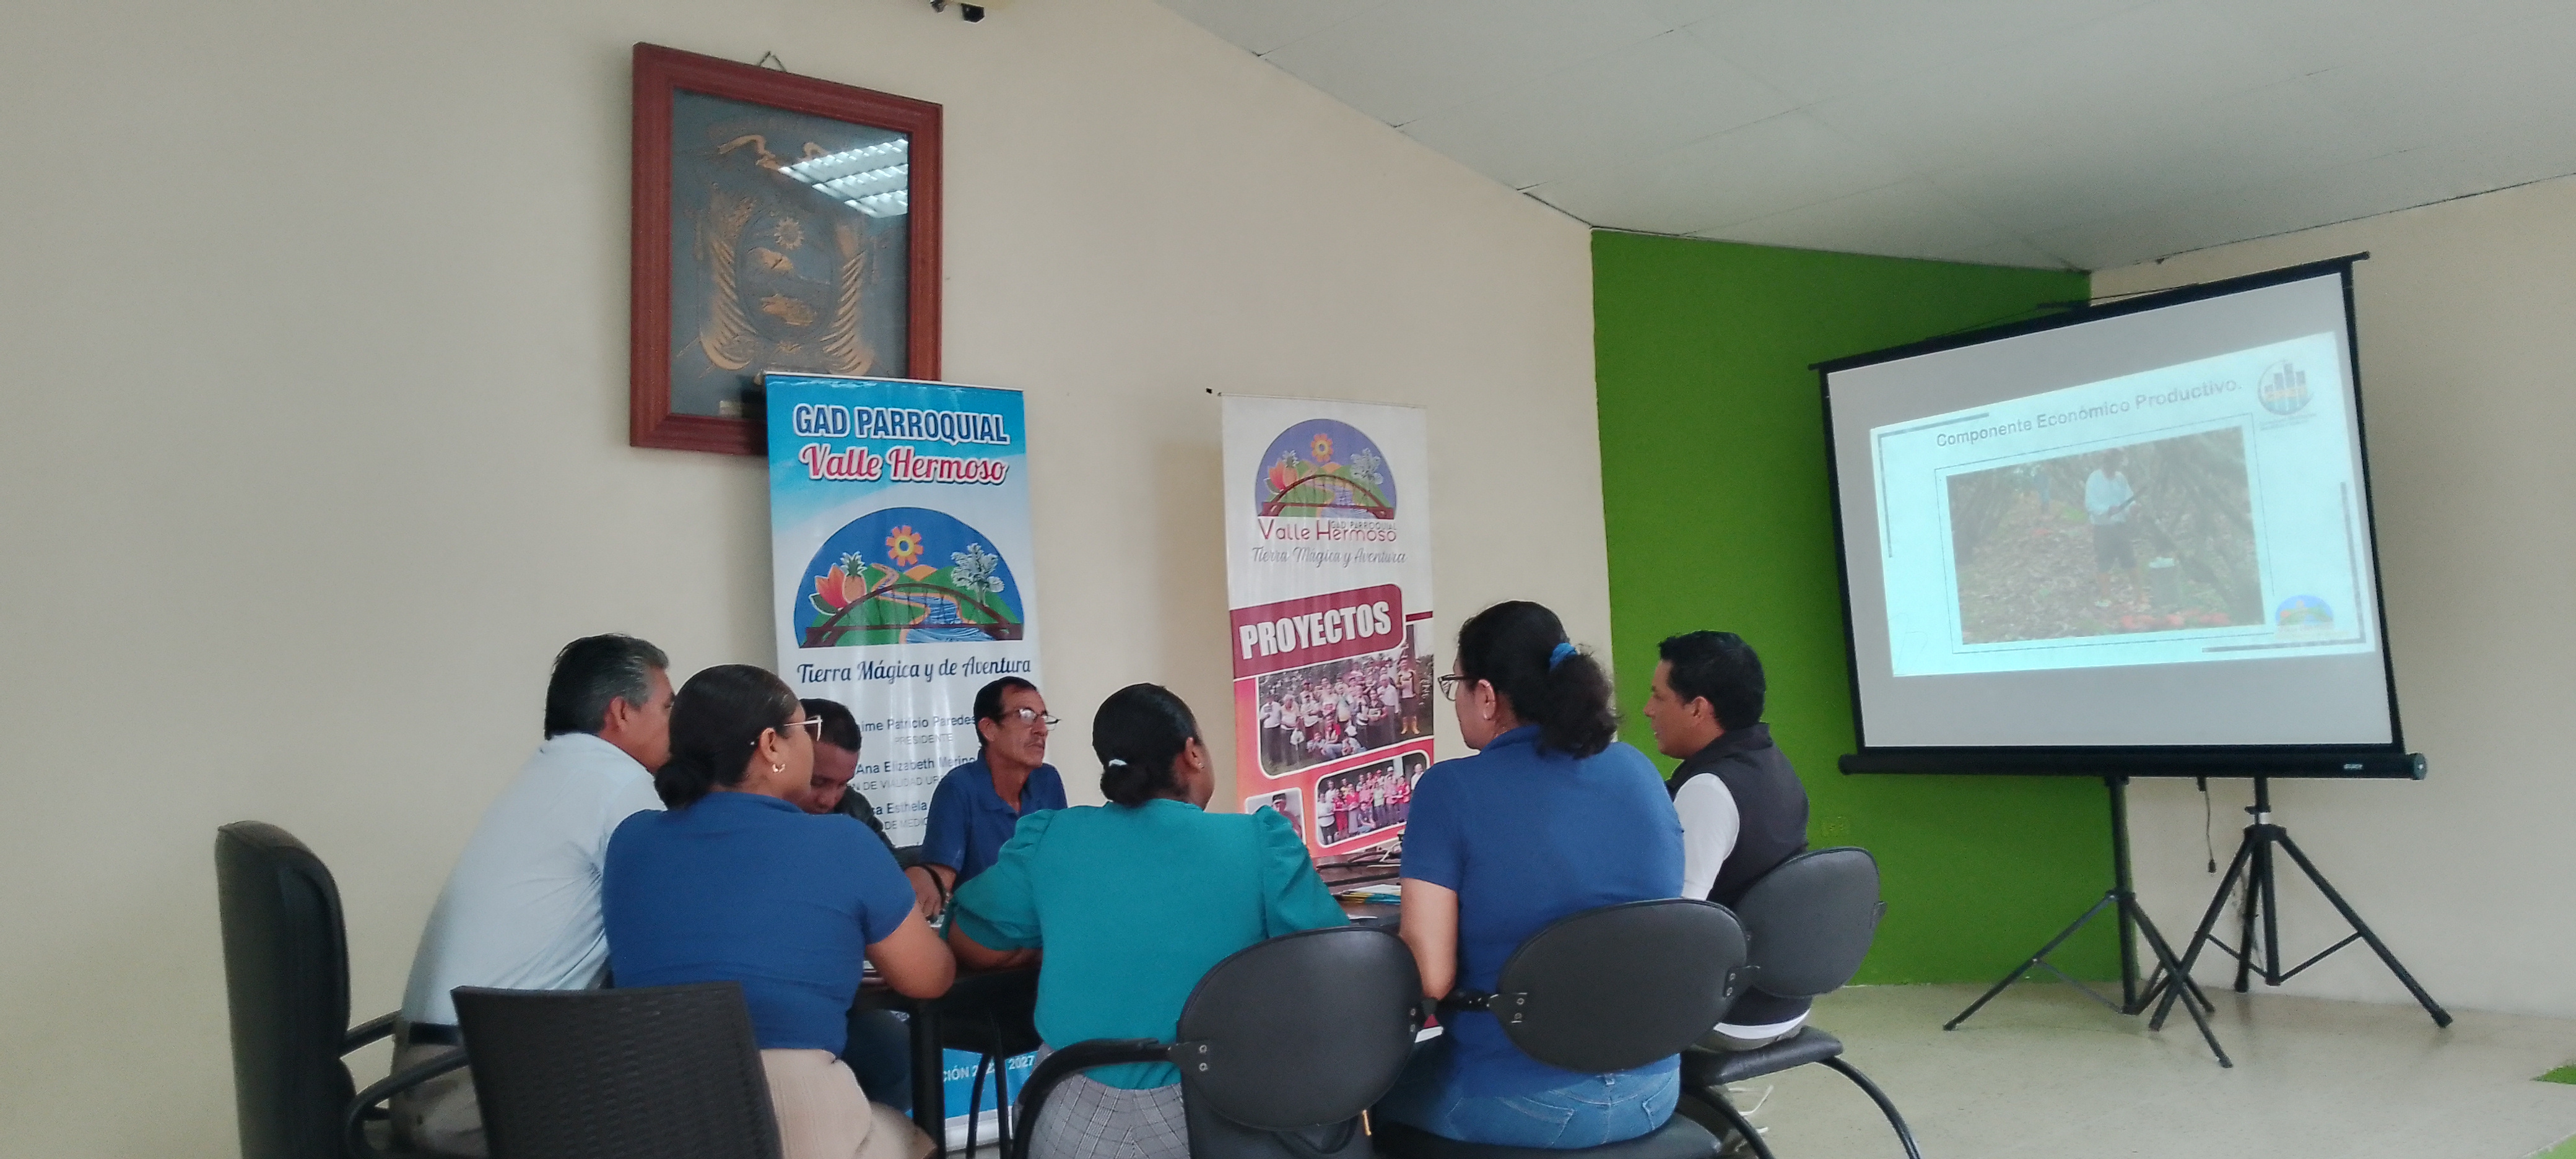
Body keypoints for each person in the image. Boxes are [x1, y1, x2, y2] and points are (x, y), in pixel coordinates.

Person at [946, 684, 1347, 1159]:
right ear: (1193, 753)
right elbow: (1336, 968)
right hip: (1210, 1117)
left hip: (1065, 1118)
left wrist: (1055, 939)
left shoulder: (1051, 837)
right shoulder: (1259, 843)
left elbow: (970, 938)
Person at [603, 666, 953, 1159]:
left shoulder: (631, 841)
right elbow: (928, 979)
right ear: (771, 745)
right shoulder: (843, 843)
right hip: (794, 1115)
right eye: (806, 728)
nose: (810, 741)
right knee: (910, 1137)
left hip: (656, 1118)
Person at [1376, 602, 1684, 1149]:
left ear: (1487, 696)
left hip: (1523, 1100)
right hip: (1655, 1088)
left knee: (1356, 1101)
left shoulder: (1450, 790)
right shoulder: (1636, 769)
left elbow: (1430, 977)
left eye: (1456, 685)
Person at [393, 634, 675, 1157]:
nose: (675, 725)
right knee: (699, 1111)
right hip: (480, 1088)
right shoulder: (618, 784)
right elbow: (668, 931)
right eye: (667, 708)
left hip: (425, 1077)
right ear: (621, 712)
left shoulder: (553, 773)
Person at [1642, 632, 1811, 1049]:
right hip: (1786, 999)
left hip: (1732, 1012)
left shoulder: (1709, 789)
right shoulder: (1771, 761)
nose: (1648, 710)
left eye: (1659, 697)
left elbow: (1680, 923)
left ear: (1698, 709)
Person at [785, 697, 913, 1111]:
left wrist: (924, 873)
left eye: (842, 784)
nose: (829, 799)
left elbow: (892, 875)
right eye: (819, 782)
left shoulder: (851, 811)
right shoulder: (754, 822)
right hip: (779, 1007)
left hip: (844, 996)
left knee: (901, 1056)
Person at [915, 677, 1068, 918]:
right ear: (989, 729)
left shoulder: (1047, 781)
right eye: (1027, 716)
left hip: (1041, 926)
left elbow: (1062, 870)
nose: (1042, 730)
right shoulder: (959, 789)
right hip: (980, 931)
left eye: (1044, 717)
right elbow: (938, 888)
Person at [2087, 450, 2143, 608]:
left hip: (2120, 527)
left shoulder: (2121, 479)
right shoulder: (2094, 479)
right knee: (2104, 562)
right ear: (2106, 462)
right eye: (2111, 462)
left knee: (2130, 560)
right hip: (2102, 527)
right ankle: (2106, 598)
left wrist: (2133, 508)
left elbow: (2128, 499)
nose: (2113, 466)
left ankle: (2140, 597)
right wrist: (2107, 510)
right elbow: (2090, 505)